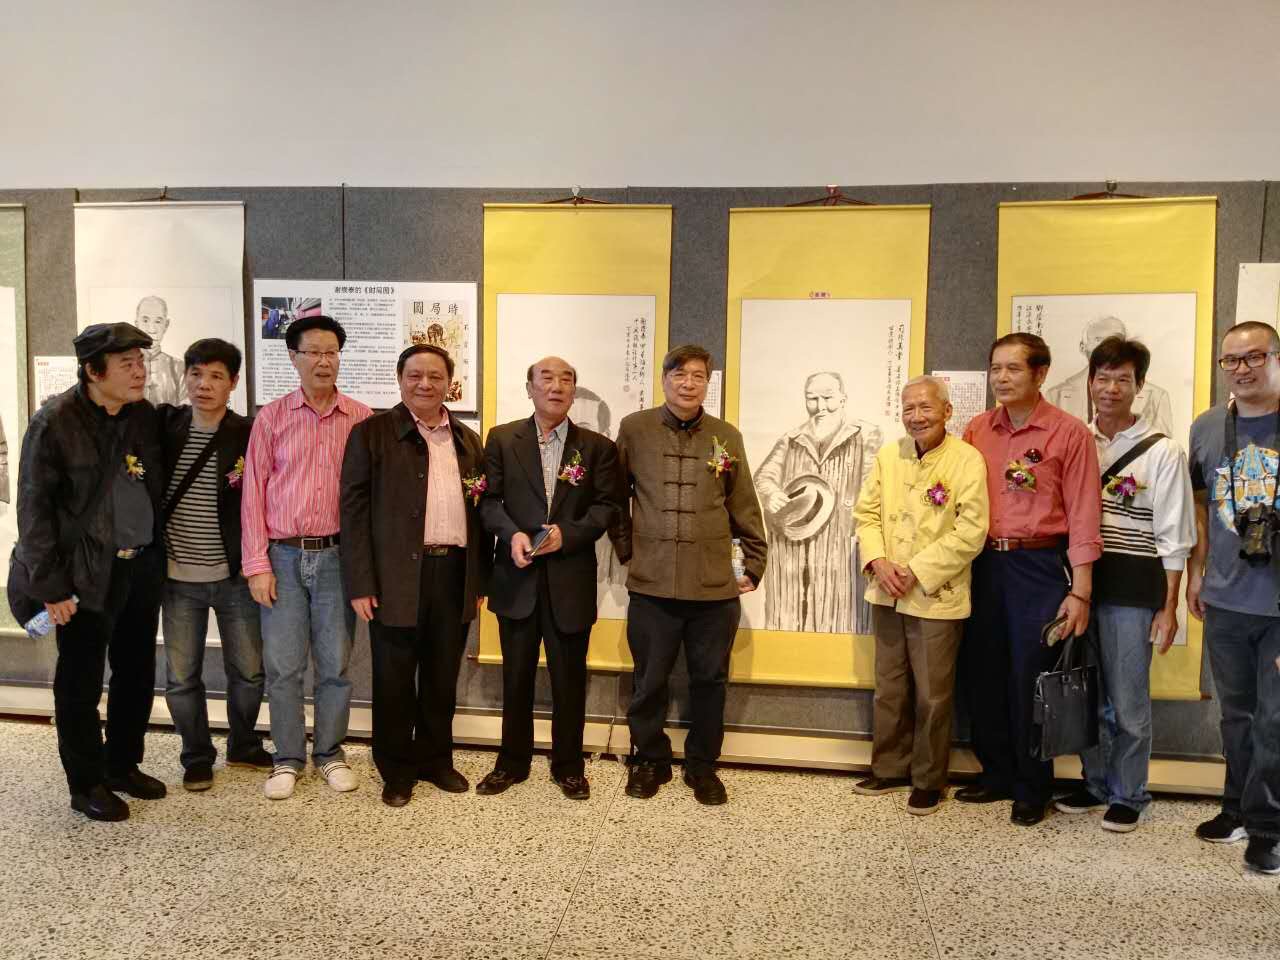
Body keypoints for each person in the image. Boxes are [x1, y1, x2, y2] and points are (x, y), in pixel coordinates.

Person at [15, 322, 166, 821]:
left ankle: (122, 764)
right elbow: (34, 510)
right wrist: (52, 587)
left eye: (141, 362)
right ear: (93, 371)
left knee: (136, 672)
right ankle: (85, 783)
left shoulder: (142, 415)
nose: (139, 372)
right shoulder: (55, 422)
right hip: (82, 574)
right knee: (80, 681)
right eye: (127, 365)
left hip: (139, 566)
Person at [610, 344, 767, 805]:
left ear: (707, 384)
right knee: (649, 679)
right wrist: (628, 551)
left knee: (710, 680)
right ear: (664, 379)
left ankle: (702, 766)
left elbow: (743, 502)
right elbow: (616, 497)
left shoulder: (726, 435)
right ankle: (649, 760)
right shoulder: (635, 428)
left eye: (698, 376)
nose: (688, 383)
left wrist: (754, 561)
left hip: (713, 585)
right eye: (679, 374)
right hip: (652, 581)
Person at [1052, 336, 1195, 832]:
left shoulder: (1162, 451)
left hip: (1133, 589)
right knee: (1086, 692)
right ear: (1090, 382)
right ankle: (1095, 783)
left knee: (1129, 700)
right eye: (1103, 377)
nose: (1111, 388)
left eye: (1123, 379)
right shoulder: (1078, 441)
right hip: (1079, 584)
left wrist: (1169, 606)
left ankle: (1129, 792)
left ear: (1139, 386)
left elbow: (1175, 535)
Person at [960, 332, 1103, 826]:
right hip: (983, 564)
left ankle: (1032, 784)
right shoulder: (977, 429)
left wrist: (1080, 590)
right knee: (984, 671)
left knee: (1031, 676)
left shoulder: (1069, 434)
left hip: (1039, 566)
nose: (1001, 378)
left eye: (1013, 369)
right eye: (995, 368)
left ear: (1040, 374)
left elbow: (1084, 514)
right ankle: (996, 773)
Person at [341, 344, 491, 807]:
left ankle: (435, 760)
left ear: (450, 383)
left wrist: (478, 580)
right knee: (394, 678)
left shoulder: (467, 440)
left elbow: (482, 515)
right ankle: (396, 769)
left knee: (442, 676)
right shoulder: (372, 434)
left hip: (454, 573)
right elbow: (353, 512)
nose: (425, 384)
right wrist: (361, 582)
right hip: (395, 577)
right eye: (415, 375)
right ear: (400, 379)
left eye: (435, 376)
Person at [476, 357, 620, 801]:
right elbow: (488, 501)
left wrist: (567, 535)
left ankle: (569, 766)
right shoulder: (502, 439)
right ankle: (511, 763)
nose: (556, 386)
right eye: (547, 378)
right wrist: (512, 534)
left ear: (573, 391)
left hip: (570, 580)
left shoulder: (597, 447)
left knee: (569, 681)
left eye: (566, 380)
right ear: (530, 388)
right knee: (515, 677)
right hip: (516, 578)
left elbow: (607, 507)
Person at [241, 315, 372, 800]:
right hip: (283, 557)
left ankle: (330, 753)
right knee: (283, 667)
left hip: (338, 558)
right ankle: (287, 757)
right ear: (293, 357)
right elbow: (252, 493)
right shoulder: (272, 418)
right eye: (313, 352)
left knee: (335, 666)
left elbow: (370, 499)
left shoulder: (360, 418)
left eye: (331, 352)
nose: (323, 361)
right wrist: (256, 565)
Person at [851, 376, 989, 815]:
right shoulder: (889, 455)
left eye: (925, 407)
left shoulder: (967, 460)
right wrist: (878, 561)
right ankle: (889, 767)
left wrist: (917, 570)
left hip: (936, 593)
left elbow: (972, 531)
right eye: (908, 408)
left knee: (933, 693)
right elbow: (865, 514)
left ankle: (929, 779)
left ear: (947, 412)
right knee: (889, 686)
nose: (916, 416)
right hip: (887, 589)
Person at [1186, 321, 1280, 874]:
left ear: (1276, 358)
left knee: (1274, 719)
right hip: (1226, 599)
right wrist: (1198, 571)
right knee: (1237, 715)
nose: (1242, 369)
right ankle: (1236, 808)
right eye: (1231, 360)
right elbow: (1201, 504)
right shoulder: (1207, 427)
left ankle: (1268, 828)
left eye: (1254, 357)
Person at [157, 338, 272, 792]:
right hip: (176, 577)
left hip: (234, 575)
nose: (204, 384)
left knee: (249, 671)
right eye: (196, 374)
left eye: (216, 376)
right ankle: (196, 756)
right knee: (181, 677)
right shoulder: (165, 426)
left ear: (233, 382)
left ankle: (243, 744)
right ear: (185, 377)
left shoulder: (248, 432)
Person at [755, 371, 881, 634]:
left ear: (843, 398)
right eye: (812, 399)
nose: (820, 406)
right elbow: (764, 476)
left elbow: (872, 485)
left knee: (841, 614)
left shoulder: (866, 434)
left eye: (828, 398)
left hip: (842, 542)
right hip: (794, 541)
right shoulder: (791, 438)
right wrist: (772, 494)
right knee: (790, 615)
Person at [1046, 315, 1173, 436]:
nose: (1111, 389)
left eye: (1114, 338)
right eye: (1098, 339)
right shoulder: (1057, 394)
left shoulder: (1157, 396)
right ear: (1082, 347)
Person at [133, 295, 187, 407]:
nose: (152, 329)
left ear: (166, 325)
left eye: (158, 321)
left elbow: (187, 409)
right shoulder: (122, 366)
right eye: (145, 321)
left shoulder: (179, 368)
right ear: (136, 324)